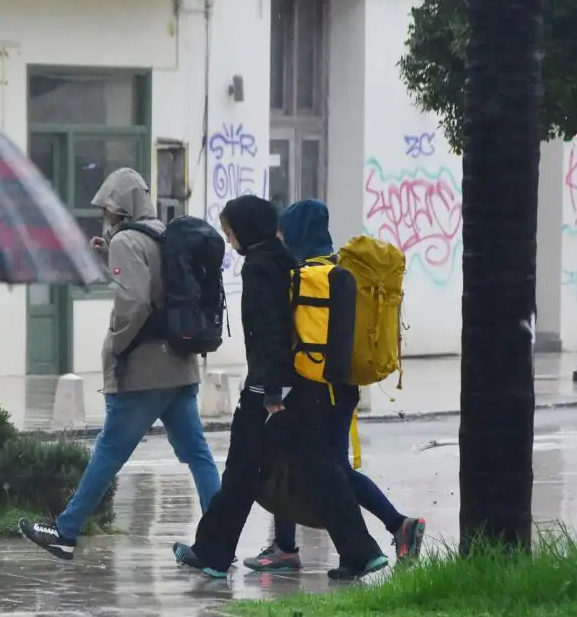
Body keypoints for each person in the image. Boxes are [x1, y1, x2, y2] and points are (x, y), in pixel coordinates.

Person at [172, 194, 389, 581]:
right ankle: (362, 552)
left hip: (268, 392)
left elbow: (269, 331)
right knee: (322, 469)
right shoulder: (287, 260)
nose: (230, 241)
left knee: (241, 472)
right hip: (302, 386)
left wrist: (270, 390)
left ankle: (212, 554)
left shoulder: (258, 268)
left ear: (246, 229)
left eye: (230, 232)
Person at [21, 167, 220, 559]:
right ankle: (218, 540)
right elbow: (155, 282)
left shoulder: (127, 241)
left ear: (121, 205)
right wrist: (107, 253)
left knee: (109, 451)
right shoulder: (163, 234)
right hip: (180, 367)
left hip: (144, 371)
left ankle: (65, 531)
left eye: (107, 208)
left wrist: (116, 345)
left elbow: (135, 302)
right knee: (198, 454)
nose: (104, 215)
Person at [243, 199, 426, 572]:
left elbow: (285, 339)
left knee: (317, 467)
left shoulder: (302, 277)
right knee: (312, 464)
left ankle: (388, 529)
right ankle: (288, 546)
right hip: (342, 387)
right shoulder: (342, 271)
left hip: (309, 389)